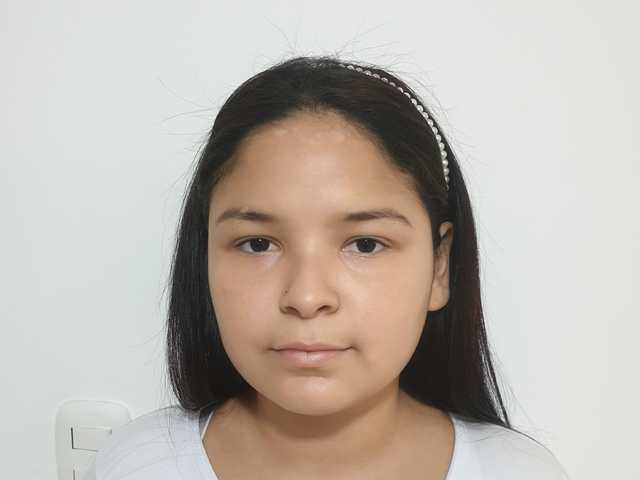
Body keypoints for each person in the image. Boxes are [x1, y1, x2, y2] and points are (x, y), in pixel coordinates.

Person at [83, 55, 568, 479]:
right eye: (257, 244)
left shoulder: (519, 472)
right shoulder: (135, 465)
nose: (307, 296)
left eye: (365, 244)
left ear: (439, 266)